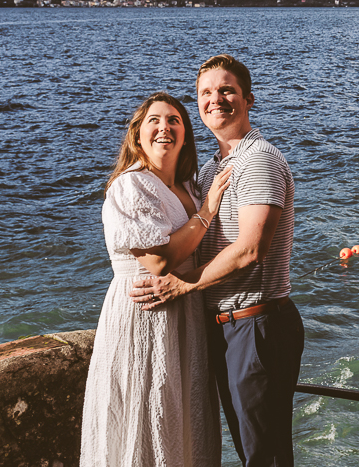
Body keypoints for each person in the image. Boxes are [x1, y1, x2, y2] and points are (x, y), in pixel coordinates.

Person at [132, 55, 304, 467]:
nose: (216, 99)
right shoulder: (211, 170)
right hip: (227, 328)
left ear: (248, 98)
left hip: (255, 325)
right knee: (250, 449)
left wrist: (183, 284)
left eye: (226, 90)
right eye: (205, 93)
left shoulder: (257, 159)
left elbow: (250, 248)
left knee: (265, 456)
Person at [80, 92, 232, 467]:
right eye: (155, 120)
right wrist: (209, 211)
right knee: (147, 418)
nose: (165, 127)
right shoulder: (130, 186)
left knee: (184, 425)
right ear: (137, 135)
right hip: (144, 316)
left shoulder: (191, 188)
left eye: (174, 121)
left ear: (185, 135)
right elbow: (158, 259)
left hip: (187, 316)